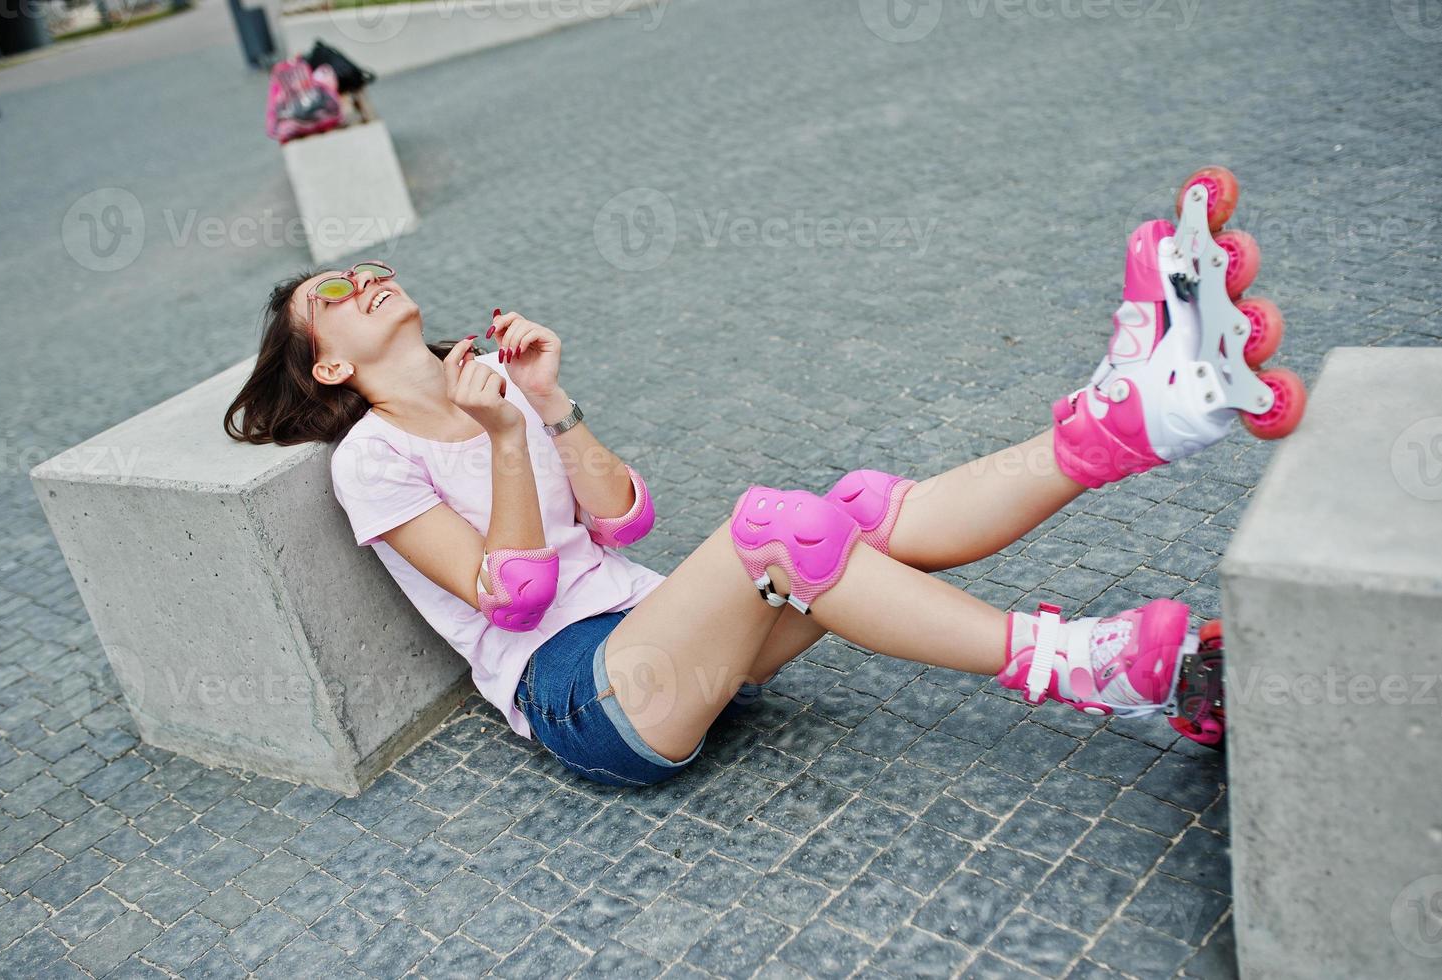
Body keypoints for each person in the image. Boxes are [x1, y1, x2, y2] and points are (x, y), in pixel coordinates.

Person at [223, 169, 1301, 787]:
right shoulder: (371, 460)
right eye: (335, 292)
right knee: (774, 530)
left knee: (860, 509)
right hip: (589, 695)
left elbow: (626, 517)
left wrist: (550, 408)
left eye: (368, 266)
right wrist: (504, 439)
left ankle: (1129, 421)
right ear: (326, 363)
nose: (363, 277)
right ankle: (1087, 664)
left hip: (661, 633)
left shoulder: (492, 379)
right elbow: (516, 594)